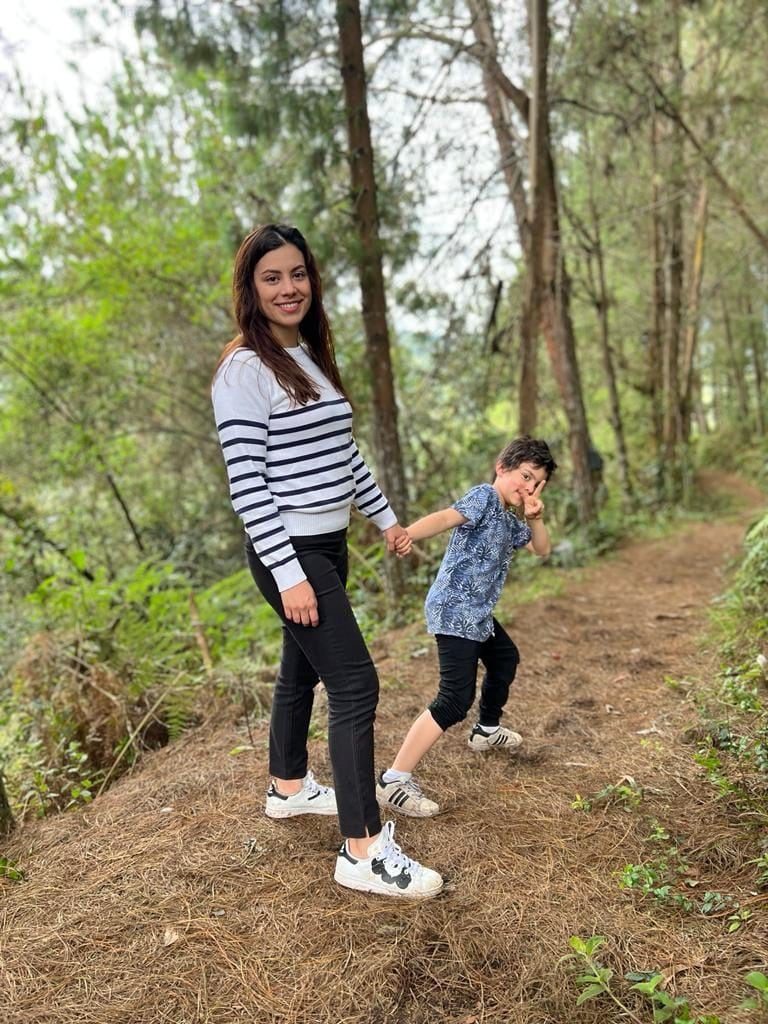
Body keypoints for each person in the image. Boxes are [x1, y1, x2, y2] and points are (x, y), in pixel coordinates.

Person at [211, 224, 442, 899]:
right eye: (272, 277)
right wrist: (289, 574)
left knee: (300, 669)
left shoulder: (306, 355)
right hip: (290, 551)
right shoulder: (243, 370)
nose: (289, 288)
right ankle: (362, 850)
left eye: (297, 274)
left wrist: (387, 517)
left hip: (328, 544)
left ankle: (287, 786)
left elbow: (344, 456)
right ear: (250, 289)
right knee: (355, 685)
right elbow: (247, 485)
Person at [377, 437, 557, 817]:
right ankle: (394, 779)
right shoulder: (485, 498)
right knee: (455, 699)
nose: (527, 487)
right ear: (501, 468)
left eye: (536, 483)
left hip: (477, 615)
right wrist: (406, 532)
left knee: (505, 658)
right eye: (524, 476)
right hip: (454, 610)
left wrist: (535, 517)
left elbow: (541, 549)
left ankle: (486, 730)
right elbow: (447, 517)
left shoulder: (512, 522)